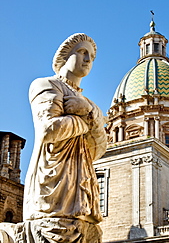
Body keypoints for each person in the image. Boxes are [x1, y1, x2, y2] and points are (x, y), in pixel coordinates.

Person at [23, 33, 107, 225]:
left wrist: (88, 111)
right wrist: (90, 119)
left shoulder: (89, 105)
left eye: (92, 57)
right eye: (82, 52)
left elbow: (98, 149)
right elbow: (49, 131)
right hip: (52, 183)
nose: (87, 59)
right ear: (64, 56)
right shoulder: (45, 85)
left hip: (81, 187)